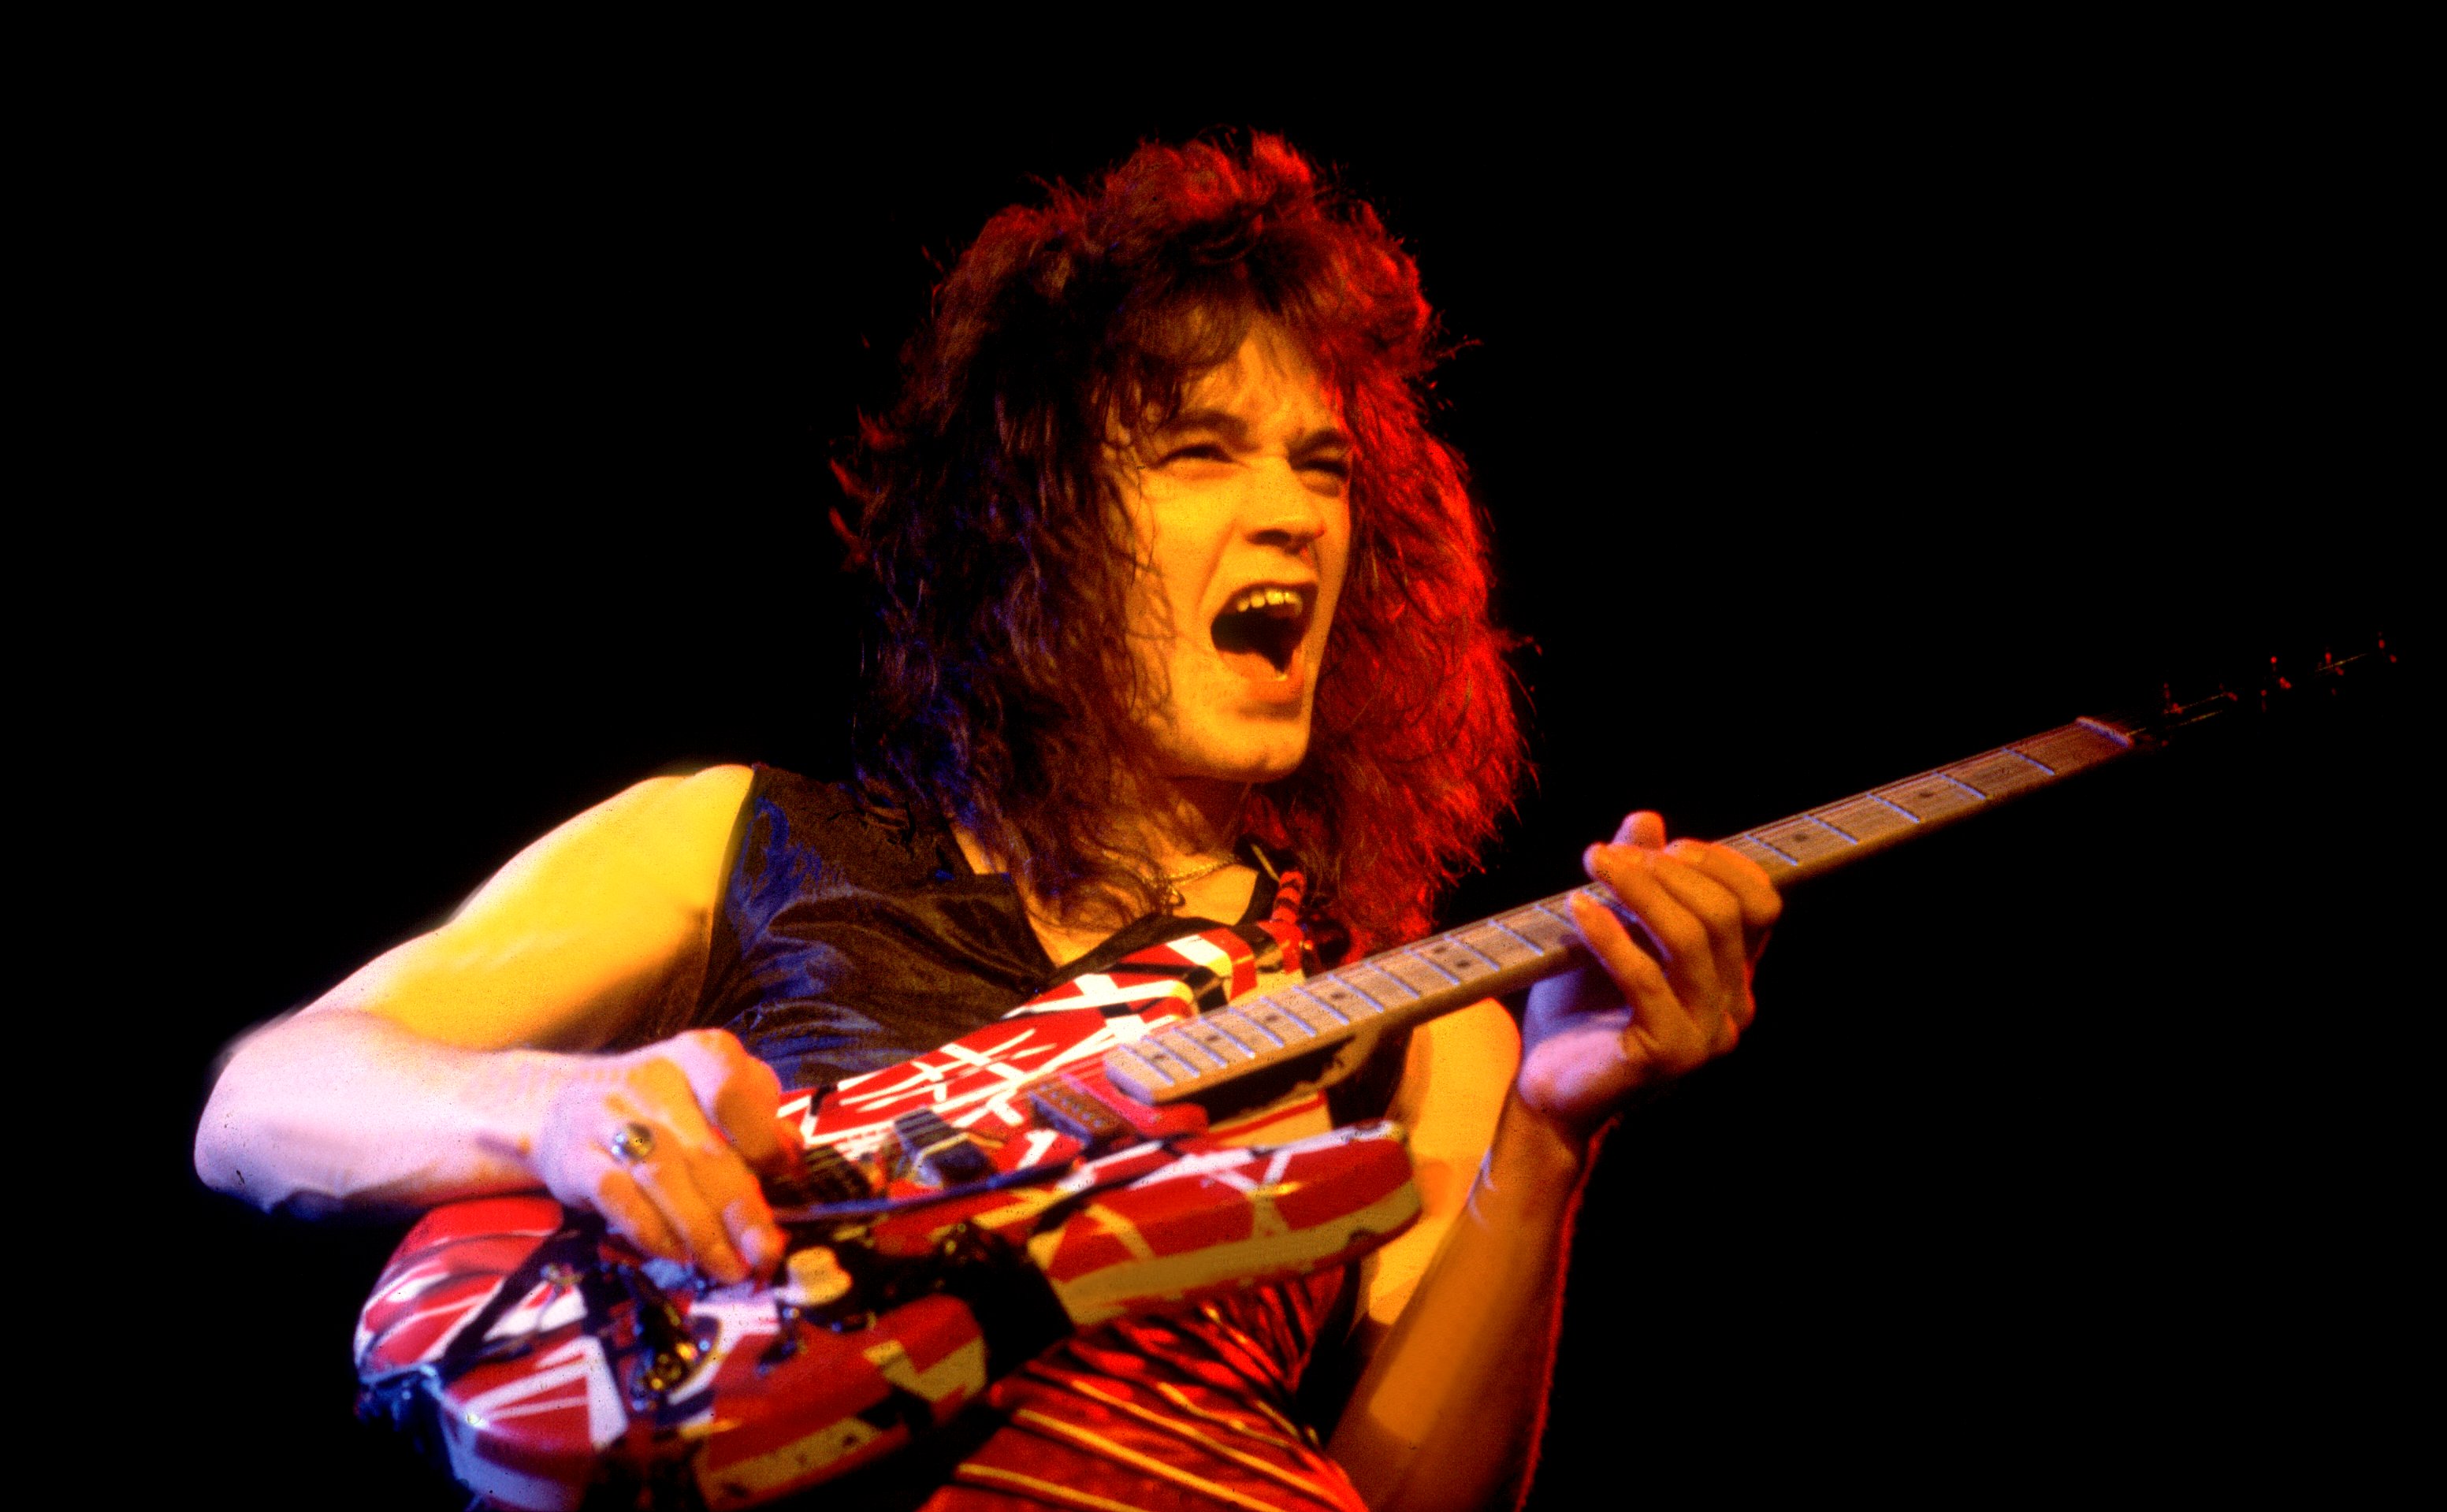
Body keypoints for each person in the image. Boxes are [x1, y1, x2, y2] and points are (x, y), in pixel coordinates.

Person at [196, 134, 1779, 1512]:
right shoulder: (737, 840)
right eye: (1198, 450)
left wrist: (1550, 1145)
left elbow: (1387, 1496)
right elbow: (270, 1100)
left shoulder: (1428, 1033)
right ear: (1031, 528)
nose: (1296, 509)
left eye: (1320, 464)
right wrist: (559, 1116)